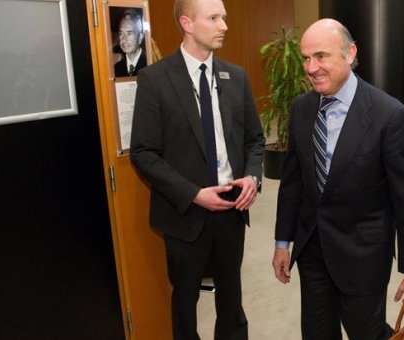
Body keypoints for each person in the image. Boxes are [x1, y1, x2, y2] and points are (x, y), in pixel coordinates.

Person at [271, 19, 404, 340]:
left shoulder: (390, 116)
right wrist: (282, 243)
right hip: (312, 250)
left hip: (363, 256)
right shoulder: (301, 108)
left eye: (321, 56)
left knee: (366, 334)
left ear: (350, 53)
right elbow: (293, 184)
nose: (311, 67)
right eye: (305, 58)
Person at [129, 0, 265, 339]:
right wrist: (193, 194)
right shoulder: (154, 79)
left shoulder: (236, 76)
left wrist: (251, 177)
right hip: (184, 212)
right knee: (185, 300)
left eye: (225, 18)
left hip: (232, 208)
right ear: (187, 24)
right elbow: (143, 153)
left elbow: (256, 139)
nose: (224, 26)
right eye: (214, 18)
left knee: (231, 297)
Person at [114, 9, 147, 77]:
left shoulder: (150, 63)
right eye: (121, 33)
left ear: (140, 37)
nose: (124, 39)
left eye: (129, 33)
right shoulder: (116, 68)